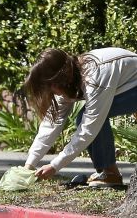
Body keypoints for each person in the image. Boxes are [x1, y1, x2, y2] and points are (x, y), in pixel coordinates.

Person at [24, 47, 137, 187]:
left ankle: (111, 174)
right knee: (85, 116)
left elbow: (88, 129)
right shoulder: (70, 78)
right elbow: (51, 124)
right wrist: (29, 164)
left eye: (49, 88)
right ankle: (107, 173)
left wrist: (54, 165)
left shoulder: (95, 77)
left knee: (86, 117)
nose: (51, 93)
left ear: (58, 80)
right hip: (126, 84)